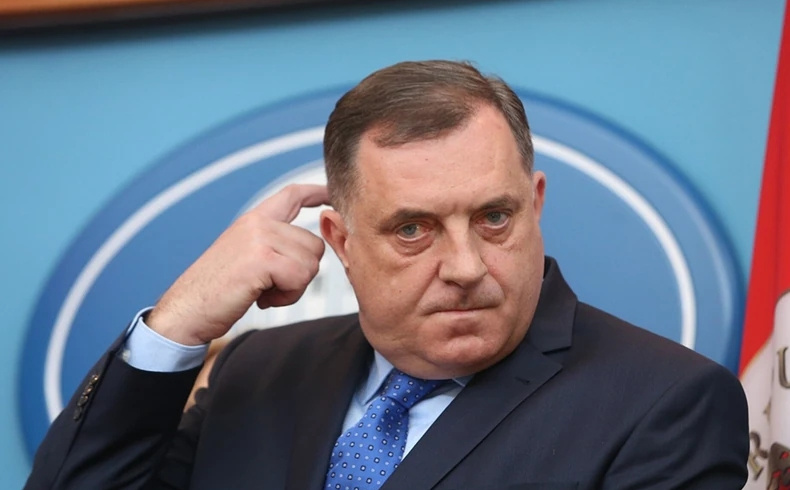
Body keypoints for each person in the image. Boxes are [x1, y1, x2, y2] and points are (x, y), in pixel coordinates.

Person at [25, 60, 748, 490]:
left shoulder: (666, 402)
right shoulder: (258, 371)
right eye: (412, 229)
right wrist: (176, 325)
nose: (466, 267)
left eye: (494, 217)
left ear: (535, 205)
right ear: (340, 241)